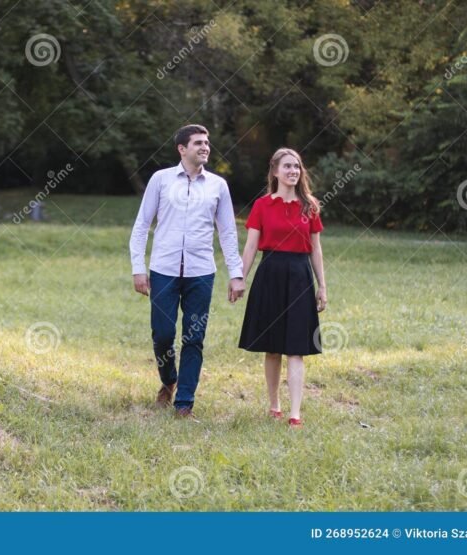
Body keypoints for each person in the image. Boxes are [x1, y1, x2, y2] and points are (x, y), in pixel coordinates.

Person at [130, 124, 246, 420]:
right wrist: (138, 269)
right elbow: (142, 225)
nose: (205, 147)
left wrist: (236, 274)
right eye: (198, 143)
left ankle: (184, 403)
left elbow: (228, 233)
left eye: (207, 142)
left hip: (201, 272)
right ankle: (168, 380)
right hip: (164, 270)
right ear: (182, 148)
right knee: (163, 335)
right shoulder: (161, 180)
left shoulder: (218, 186)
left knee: (194, 338)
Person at [236, 147, 327, 428]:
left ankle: (295, 413)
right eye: (287, 166)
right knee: (272, 348)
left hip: (299, 275)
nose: (293, 171)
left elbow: (315, 249)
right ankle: (274, 404)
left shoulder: (309, 205)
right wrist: (240, 277)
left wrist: (322, 285)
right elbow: (251, 246)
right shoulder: (262, 205)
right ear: (275, 171)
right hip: (270, 274)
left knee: (296, 348)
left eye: (297, 166)